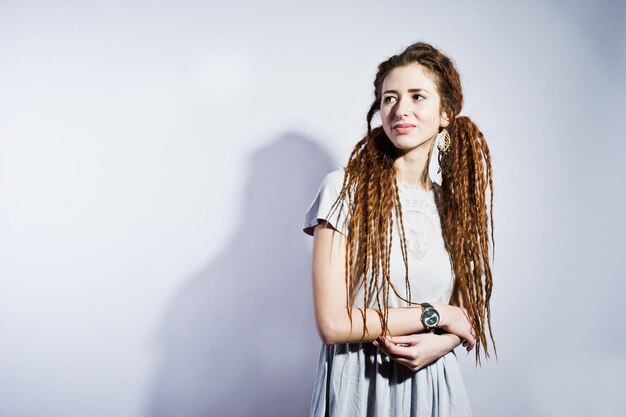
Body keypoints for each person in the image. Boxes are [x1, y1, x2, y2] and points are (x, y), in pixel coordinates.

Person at [303, 42, 495, 417]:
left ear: (444, 114)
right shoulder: (343, 189)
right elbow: (333, 324)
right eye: (389, 98)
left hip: (435, 388)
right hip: (359, 387)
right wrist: (435, 316)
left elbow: (463, 311)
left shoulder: (452, 204)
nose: (400, 109)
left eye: (417, 96)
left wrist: (443, 342)